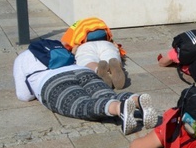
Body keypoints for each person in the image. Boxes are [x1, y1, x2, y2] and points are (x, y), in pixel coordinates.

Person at [13, 48, 156, 135]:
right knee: (108, 95)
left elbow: (24, 95)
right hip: (83, 71)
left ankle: (119, 108)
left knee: (80, 104)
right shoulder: (57, 47)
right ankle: (135, 99)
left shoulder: (22, 58)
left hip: (52, 81)